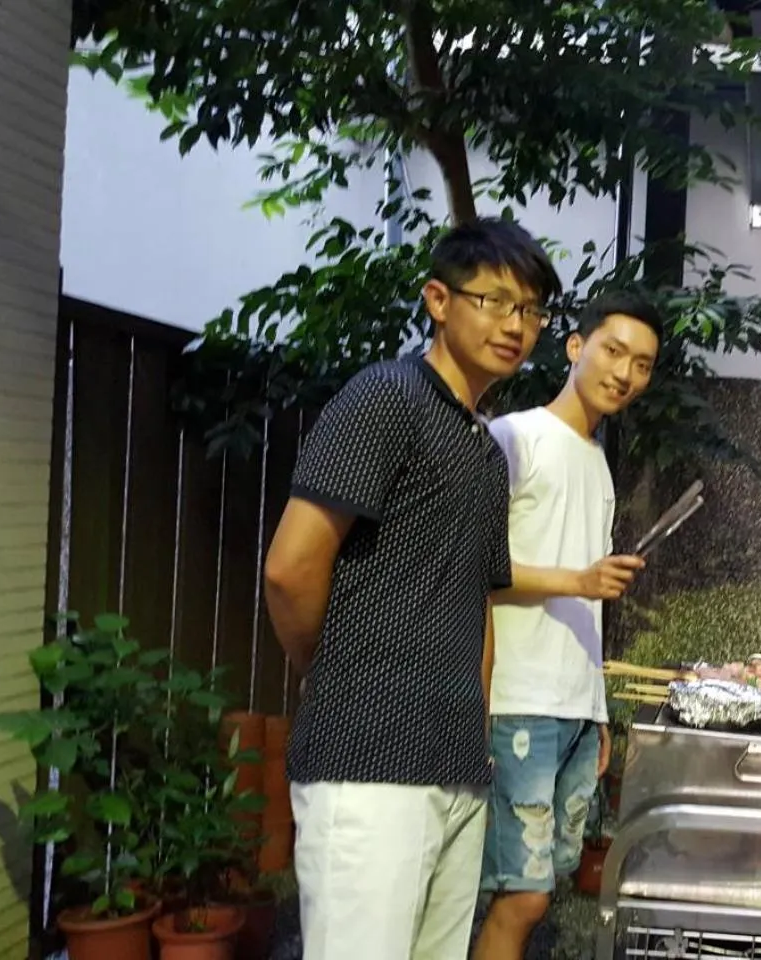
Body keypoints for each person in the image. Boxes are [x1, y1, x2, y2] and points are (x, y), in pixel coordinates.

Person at [263, 218, 561, 960]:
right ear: (437, 299)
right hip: (366, 759)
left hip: (456, 763)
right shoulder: (387, 398)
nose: (514, 325)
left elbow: (480, 600)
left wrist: (479, 736)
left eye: (530, 311)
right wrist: (327, 674)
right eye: (493, 301)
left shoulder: (485, 450)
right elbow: (290, 566)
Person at [471, 289, 664, 960]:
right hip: (516, 700)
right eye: (613, 351)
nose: (625, 373)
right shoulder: (514, 437)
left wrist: (598, 709)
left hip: (573, 707)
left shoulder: (598, 462)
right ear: (575, 346)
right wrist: (578, 581)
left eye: (642, 364)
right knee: (518, 895)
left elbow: (587, 603)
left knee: (543, 887)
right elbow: (475, 565)